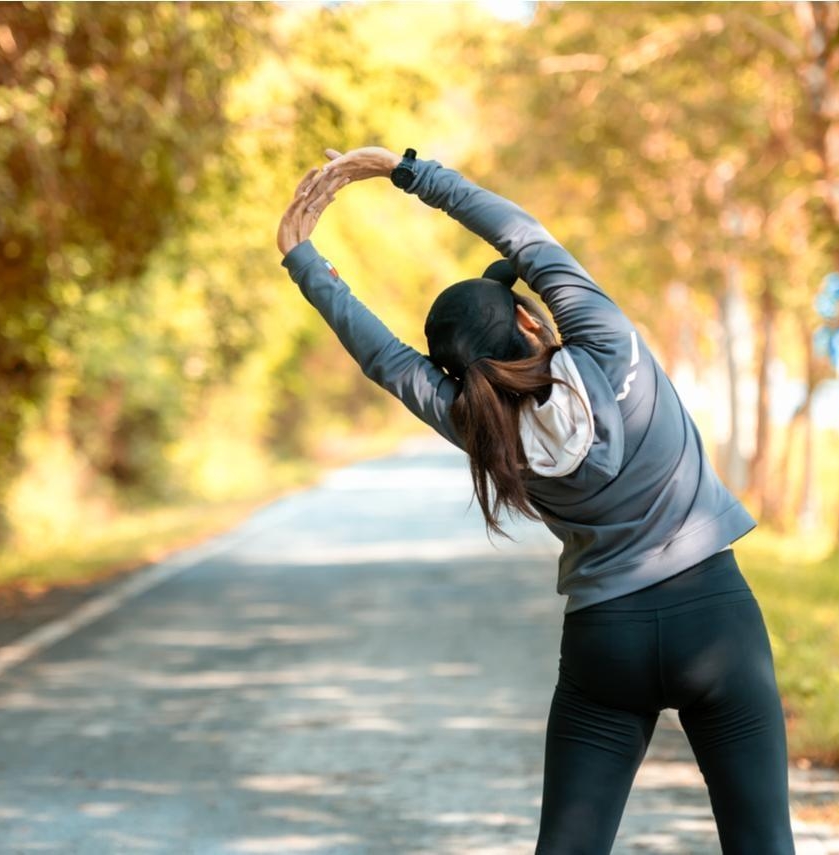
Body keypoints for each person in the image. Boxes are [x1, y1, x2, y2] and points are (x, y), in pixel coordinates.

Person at [277, 146, 796, 855]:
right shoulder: (607, 345)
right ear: (527, 322)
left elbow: (385, 359)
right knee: (762, 842)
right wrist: (406, 171)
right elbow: (519, 235)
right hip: (716, 622)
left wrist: (303, 257)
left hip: (605, 642)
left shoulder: (477, 425)